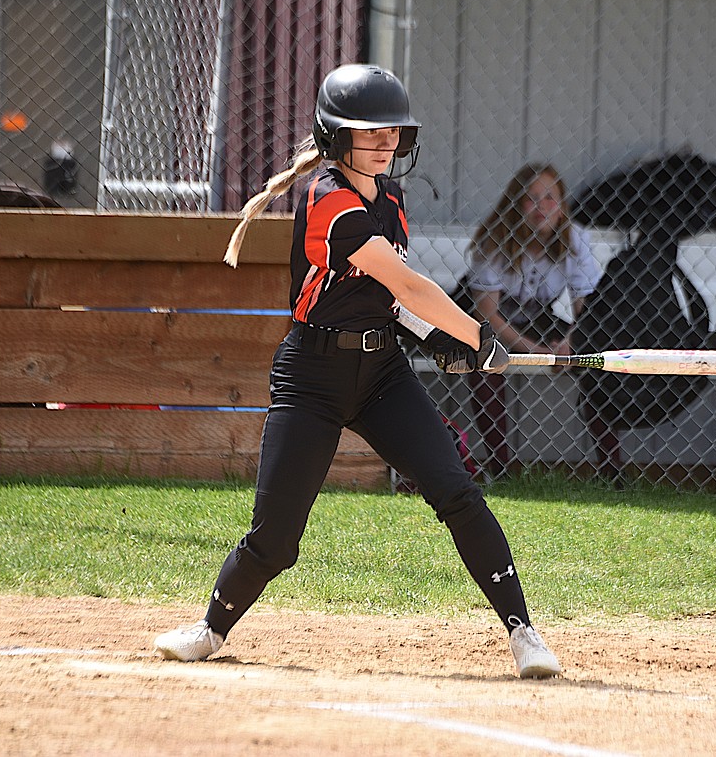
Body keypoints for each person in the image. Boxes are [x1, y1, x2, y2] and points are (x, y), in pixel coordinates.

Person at [153, 63, 562, 679]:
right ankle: (211, 629)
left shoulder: (390, 199)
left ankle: (524, 634)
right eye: (368, 132)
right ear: (335, 137)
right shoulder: (327, 200)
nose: (384, 142)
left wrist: (438, 341)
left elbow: (391, 302)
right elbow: (404, 280)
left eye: (392, 132)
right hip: (311, 377)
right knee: (278, 537)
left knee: (457, 490)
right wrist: (475, 334)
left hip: (382, 376)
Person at [465, 163, 603, 477]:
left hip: (536, 315)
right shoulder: (496, 238)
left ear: (562, 205)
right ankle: (500, 467)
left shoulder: (575, 239)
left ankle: (612, 468)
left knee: (594, 355)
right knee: (484, 360)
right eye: (531, 198)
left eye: (550, 198)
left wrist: (570, 343)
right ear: (517, 204)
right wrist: (535, 351)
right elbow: (486, 315)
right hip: (487, 319)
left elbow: (587, 310)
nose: (542, 207)